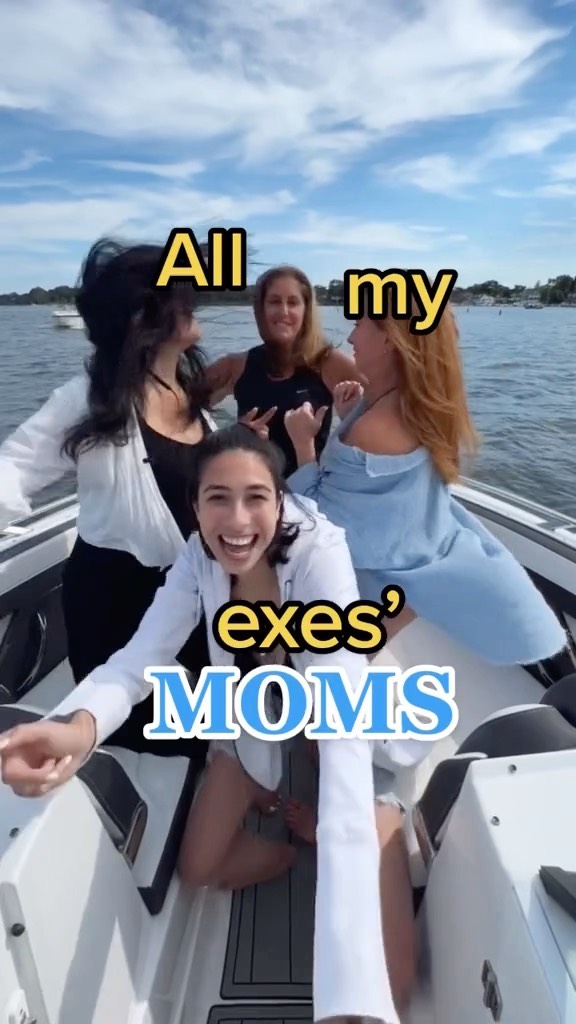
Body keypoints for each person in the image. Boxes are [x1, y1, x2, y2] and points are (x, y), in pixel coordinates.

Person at [0, 424, 408, 1024]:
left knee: (393, 985)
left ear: (281, 501)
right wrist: (78, 729)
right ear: (194, 508)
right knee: (198, 867)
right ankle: (288, 847)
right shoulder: (198, 558)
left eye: (255, 497)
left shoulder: (321, 553)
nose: (237, 520)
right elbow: (141, 657)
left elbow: (345, 715)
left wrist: (352, 990)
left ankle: (373, 821)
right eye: (218, 498)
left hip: (338, 702)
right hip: (252, 709)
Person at [281, 295, 568, 843]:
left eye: (361, 325)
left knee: (331, 696)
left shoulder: (380, 424)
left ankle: (342, 818)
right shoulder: (406, 404)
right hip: (407, 572)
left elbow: (322, 520)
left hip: (365, 585)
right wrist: (349, 415)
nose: (350, 335)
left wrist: (303, 446)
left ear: (391, 338)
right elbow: (379, 489)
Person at [0, 237, 219, 761]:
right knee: (143, 743)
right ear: (145, 316)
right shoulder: (89, 398)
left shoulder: (187, 394)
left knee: (204, 735)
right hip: (114, 606)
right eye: (180, 294)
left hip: (185, 599)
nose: (193, 301)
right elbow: (14, 467)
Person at [206, 264, 364, 475]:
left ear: (306, 310)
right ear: (260, 309)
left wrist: (351, 422)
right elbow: (179, 411)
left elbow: (387, 400)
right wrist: (233, 435)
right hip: (253, 488)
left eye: (293, 302)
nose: (284, 311)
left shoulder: (328, 362)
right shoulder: (236, 366)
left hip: (310, 490)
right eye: (274, 302)